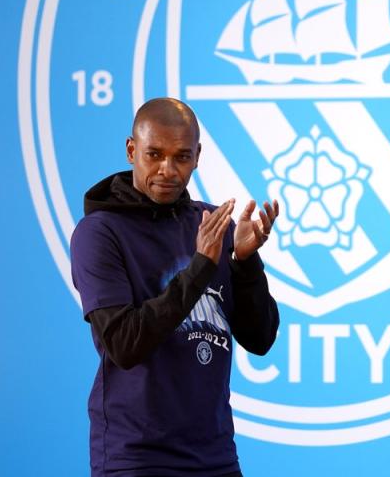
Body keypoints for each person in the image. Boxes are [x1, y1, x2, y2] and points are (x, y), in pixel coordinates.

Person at [70, 97, 280, 477]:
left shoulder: (212, 226)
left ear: (197, 156)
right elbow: (124, 344)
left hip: (215, 457)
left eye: (181, 157)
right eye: (154, 154)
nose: (167, 169)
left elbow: (260, 338)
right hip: (136, 458)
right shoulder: (99, 234)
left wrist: (245, 263)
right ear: (132, 150)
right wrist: (200, 267)